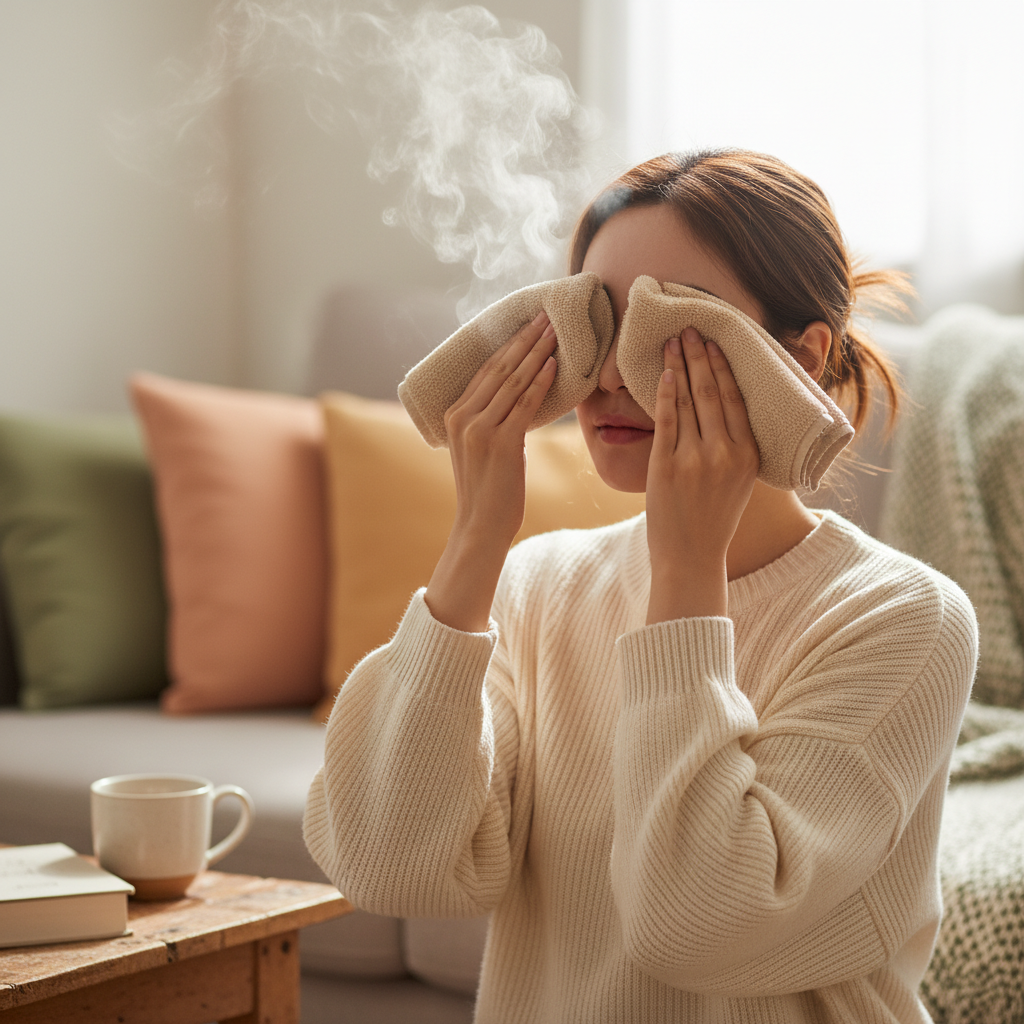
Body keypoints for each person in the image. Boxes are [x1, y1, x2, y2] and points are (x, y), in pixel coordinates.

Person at [304, 150, 978, 1023]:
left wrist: (687, 572)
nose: (613, 374)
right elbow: (389, 863)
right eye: (595, 321)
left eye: (670, 330)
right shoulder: (538, 584)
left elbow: (697, 924)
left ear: (803, 358)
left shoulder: (902, 617)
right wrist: (475, 540)